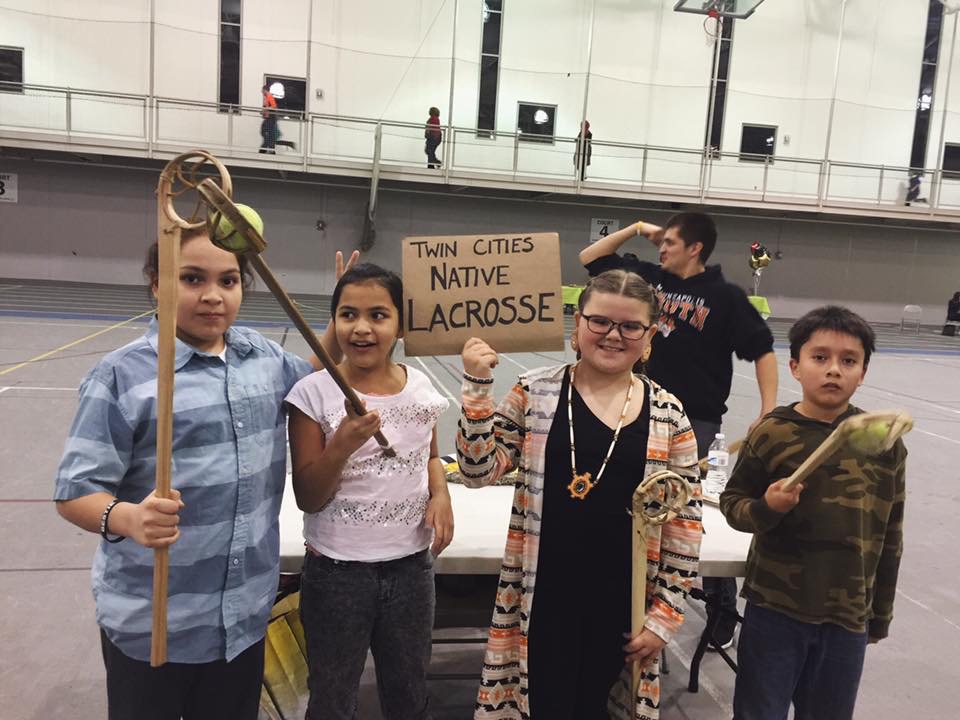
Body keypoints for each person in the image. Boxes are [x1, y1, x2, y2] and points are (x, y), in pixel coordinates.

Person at [52, 228, 351, 720]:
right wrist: (127, 518)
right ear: (156, 284)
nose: (212, 295)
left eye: (228, 280)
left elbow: (313, 381)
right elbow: (73, 492)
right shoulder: (122, 376)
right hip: (154, 625)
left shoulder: (262, 359)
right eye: (192, 279)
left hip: (241, 620)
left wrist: (342, 318)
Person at [457, 269, 702, 720]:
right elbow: (476, 471)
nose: (614, 335)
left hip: (622, 611)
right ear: (577, 327)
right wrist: (477, 388)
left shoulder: (669, 414)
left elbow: (685, 524)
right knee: (542, 705)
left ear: (649, 337)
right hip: (543, 598)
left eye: (631, 326)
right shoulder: (534, 392)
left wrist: (664, 617)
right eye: (600, 322)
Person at [579, 212, 777, 650]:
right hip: (637, 407)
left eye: (671, 242)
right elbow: (589, 257)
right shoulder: (648, 278)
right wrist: (634, 228)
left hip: (696, 421)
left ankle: (721, 604)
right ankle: (629, 593)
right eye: (661, 241)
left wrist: (766, 408)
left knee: (684, 513)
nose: (661, 248)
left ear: (695, 249)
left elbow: (763, 350)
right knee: (629, 501)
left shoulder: (725, 297)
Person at [719, 305, 906, 720]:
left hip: (847, 617)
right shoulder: (772, 433)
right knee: (758, 712)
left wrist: (880, 613)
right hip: (775, 610)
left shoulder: (883, 442)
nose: (834, 370)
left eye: (848, 361)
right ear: (795, 366)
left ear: (864, 372)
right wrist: (767, 508)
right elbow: (732, 504)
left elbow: (891, 533)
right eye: (820, 358)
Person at [285, 263, 454, 720]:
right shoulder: (311, 394)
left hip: (411, 572)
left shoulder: (419, 387)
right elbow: (308, 496)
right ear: (334, 320)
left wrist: (441, 495)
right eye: (347, 314)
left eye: (378, 315)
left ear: (400, 324)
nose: (361, 328)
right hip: (337, 575)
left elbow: (431, 457)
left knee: (408, 692)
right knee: (333, 698)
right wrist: (340, 444)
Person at [259, 83, 278, 154]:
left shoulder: (269, 96)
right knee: (268, 133)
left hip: (271, 118)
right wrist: (263, 111)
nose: (261, 92)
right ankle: (269, 149)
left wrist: (266, 109)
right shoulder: (266, 97)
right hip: (269, 118)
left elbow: (274, 106)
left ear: (265, 90)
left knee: (266, 132)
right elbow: (266, 106)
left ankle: (265, 149)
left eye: (262, 90)